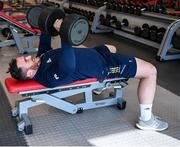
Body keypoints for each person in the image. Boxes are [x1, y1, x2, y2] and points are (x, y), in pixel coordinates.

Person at [8, 19, 168, 131]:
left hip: (95, 53)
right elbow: (68, 65)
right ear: (30, 73)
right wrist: (64, 34)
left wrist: (46, 24)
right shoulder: (48, 77)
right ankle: (146, 120)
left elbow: (44, 42)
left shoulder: (40, 61)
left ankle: (99, 87)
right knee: (150, 71)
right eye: (26, 60)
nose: (29, 56)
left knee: (111, 47)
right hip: (104, 67)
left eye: (25, 56)